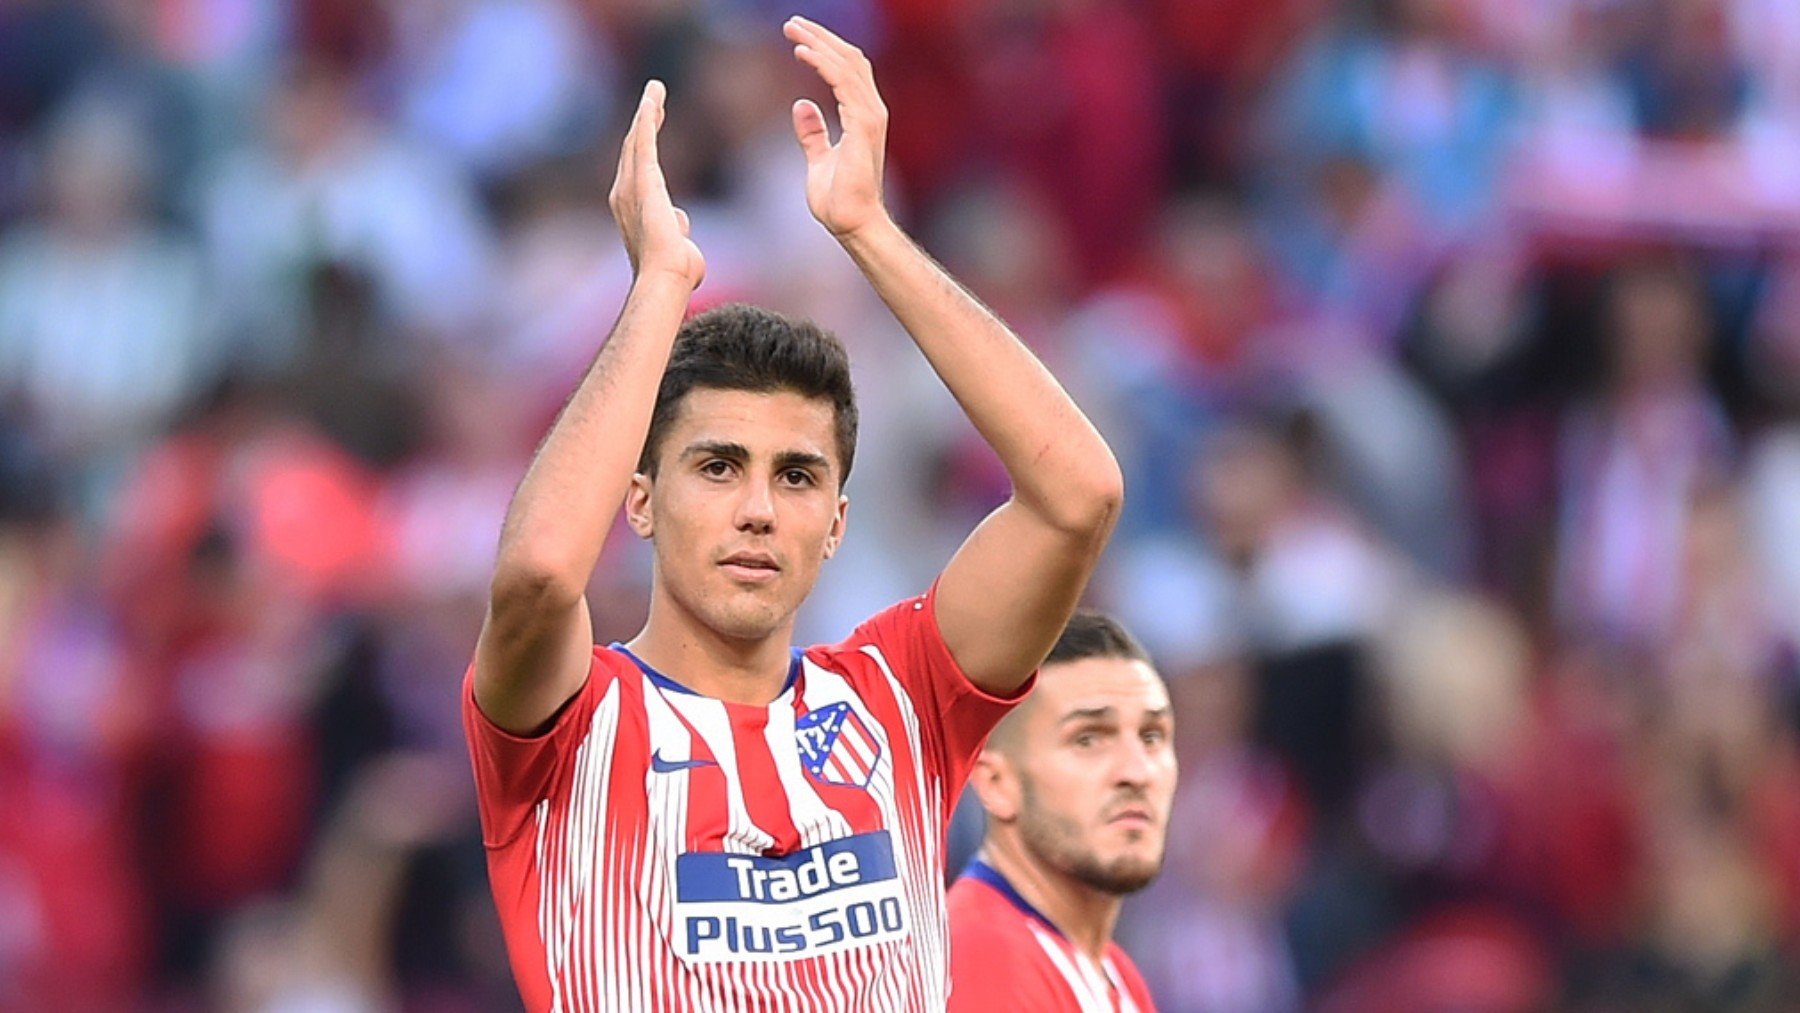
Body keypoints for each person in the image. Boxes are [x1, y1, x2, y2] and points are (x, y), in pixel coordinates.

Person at [460, 16, 1123, 1011]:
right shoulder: (573, 722)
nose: (760, 509)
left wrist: (868, 232)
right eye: (717, 466)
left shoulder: (900, 700)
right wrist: (657, 287)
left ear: (841, 522)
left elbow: (1079, 496)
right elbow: (541, 574)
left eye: (799, 476)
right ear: (636, 501)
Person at [948, 610, 1175, 1012]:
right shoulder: (980, 960)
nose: (1137, 772)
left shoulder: (1117, 974)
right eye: (1088, 739)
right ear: (996, 783)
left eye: (1152, 736)